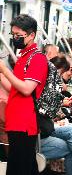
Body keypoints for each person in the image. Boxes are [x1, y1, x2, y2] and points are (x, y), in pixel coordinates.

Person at [0, 14, 48, 175]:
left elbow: (27, 89)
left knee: (20, 167)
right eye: (13, 35)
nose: (15, 39)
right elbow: (14, 88)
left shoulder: (37, 59)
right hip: (15, 120)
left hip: (25, 122)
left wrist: (5, 70)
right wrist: (1, 74)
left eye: (19, 36)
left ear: (32, 35)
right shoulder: (23, 56)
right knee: (24, 166)